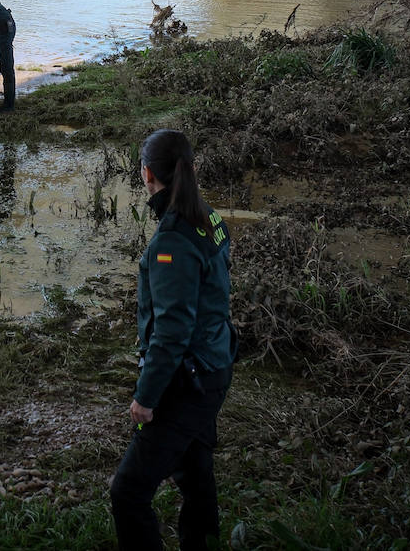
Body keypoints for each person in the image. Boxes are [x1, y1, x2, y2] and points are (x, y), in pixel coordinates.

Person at [110, 129, 235, 551]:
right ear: (191, 169)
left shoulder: (171, 243)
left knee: (128, 492)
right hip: (214, 367)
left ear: (146, 175)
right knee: (196, 474)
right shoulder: (210, 219)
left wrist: (145, 398)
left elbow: (171, 333)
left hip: (189, 381)